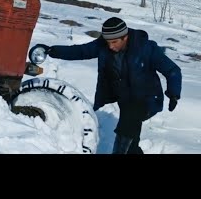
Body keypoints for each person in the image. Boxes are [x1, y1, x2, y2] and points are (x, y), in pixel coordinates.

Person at [35, 17, 182, 154]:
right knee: (131, 145)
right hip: (125, 100)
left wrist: (174, 93)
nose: (110, 46)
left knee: (128, 124)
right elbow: (80, 51)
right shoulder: (103, 46)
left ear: (126, 37)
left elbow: (172, 70)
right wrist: (52, 50)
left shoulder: (146, 48)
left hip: (148, 99)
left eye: (115, 42)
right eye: (108, 42)